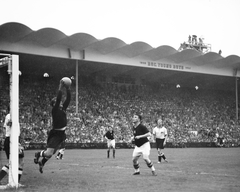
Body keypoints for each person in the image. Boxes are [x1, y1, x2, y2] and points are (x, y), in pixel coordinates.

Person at [34, 79, 71, 173]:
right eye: (57, 102)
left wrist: (68, 89)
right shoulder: (55, 110)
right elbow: (59, 99)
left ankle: (42, 162)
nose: (61, 102)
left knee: (53, 153)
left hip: (61, 134)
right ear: (54, 104)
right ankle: (39, 153)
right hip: (56, 134)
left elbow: (68, 99)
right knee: (49, 153)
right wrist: (60, 87)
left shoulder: (63, 109)